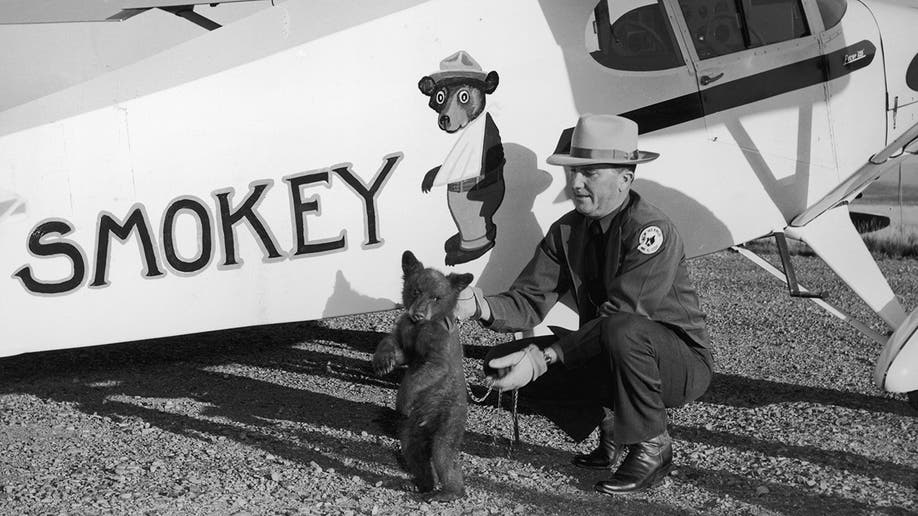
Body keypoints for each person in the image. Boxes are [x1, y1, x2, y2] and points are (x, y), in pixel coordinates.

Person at [456, 114, 713, 494]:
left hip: (676, 365)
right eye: (572, 172)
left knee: (619, 330)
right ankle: (612, 428)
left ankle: (652, 445)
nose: (575, 183)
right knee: (500, 359)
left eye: (590, 172)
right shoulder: (567, 230)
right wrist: (481, 306)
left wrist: (544, 358)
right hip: (610, 347)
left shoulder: (651, 231)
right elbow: (529, 300)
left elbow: (625, 315)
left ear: (625, 179)